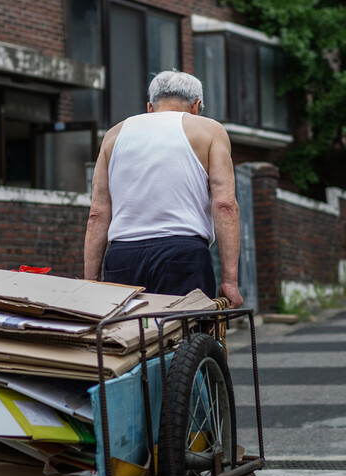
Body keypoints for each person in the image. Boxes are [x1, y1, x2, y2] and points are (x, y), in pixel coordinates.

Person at [83, 70, 243, 310]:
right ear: (196, 107)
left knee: (128, 340)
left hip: (122, 256)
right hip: (182, 254)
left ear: (150, 108)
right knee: (188, 340)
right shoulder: (209, 130)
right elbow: (225, 205)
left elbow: (97, 213)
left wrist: (91, 281)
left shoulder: (114, 135)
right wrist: (230, 281)